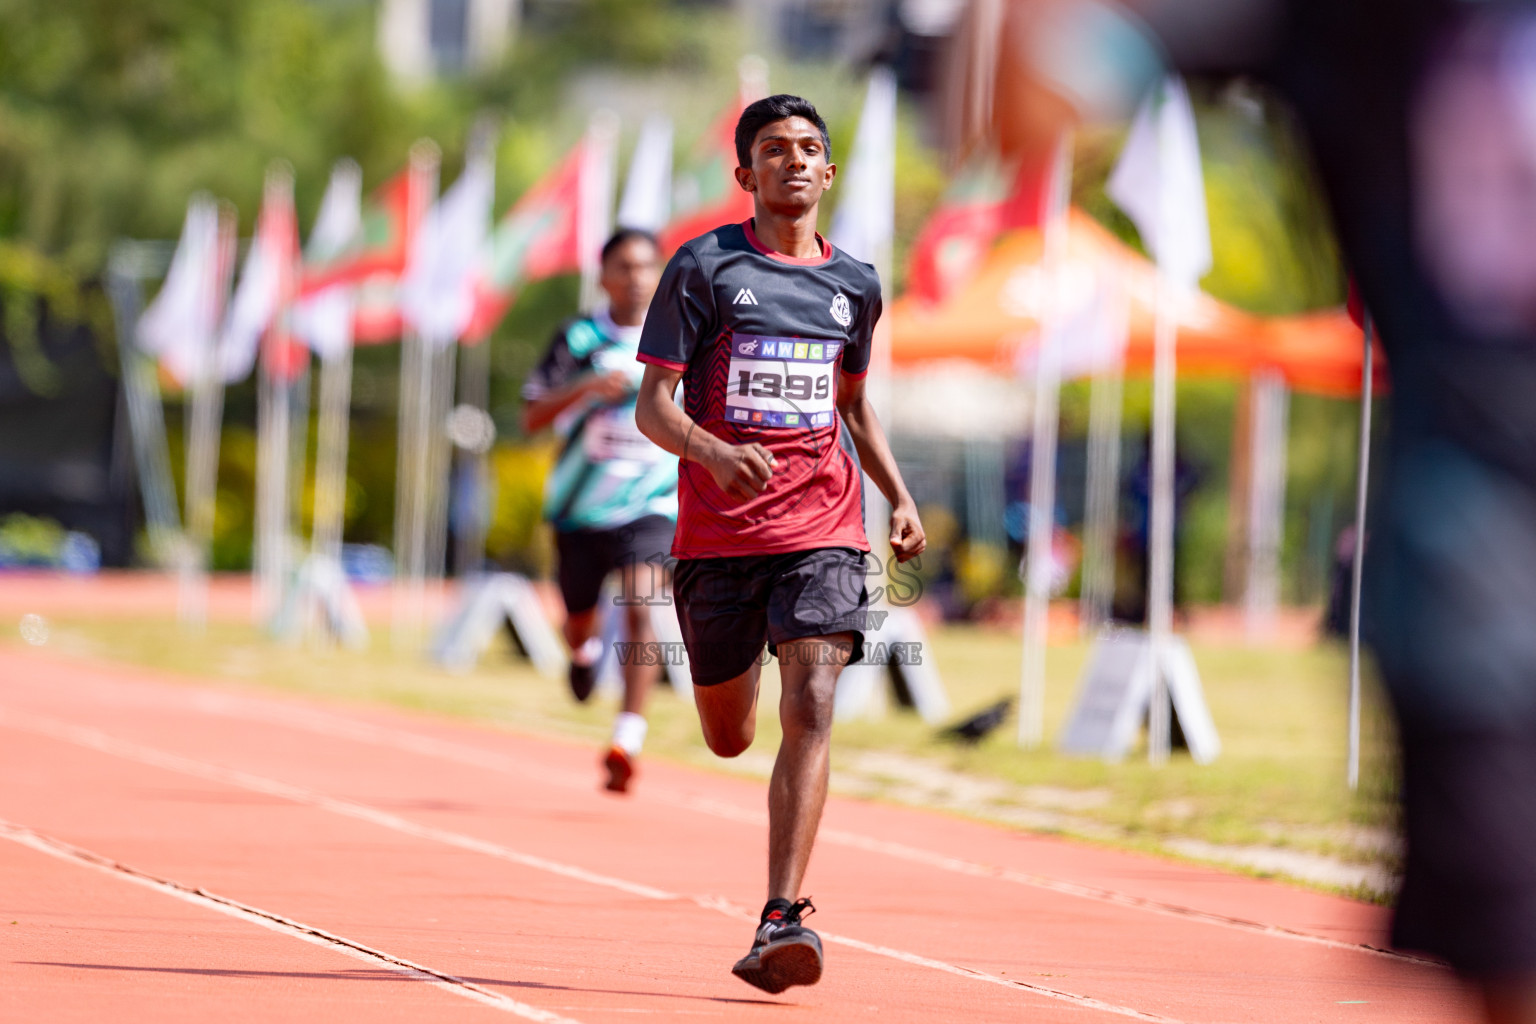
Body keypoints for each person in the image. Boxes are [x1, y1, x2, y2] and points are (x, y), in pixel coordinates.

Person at [634, 94, 926, 994]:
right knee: (729, 737)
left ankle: (780, 917)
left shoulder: (857, 286)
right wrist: (715, 453)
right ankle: (735, 682)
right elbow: (652, 407)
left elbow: (851, 404)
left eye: (808, 149)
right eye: (774, 149)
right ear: (745, 175)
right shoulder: (705, 269)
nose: (793, 161)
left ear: (828, 172)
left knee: (816, 697)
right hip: (719, 541)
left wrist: (900, 496)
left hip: (825, 530)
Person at [520, 227, 675, 795]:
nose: (636, 280)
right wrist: (587, 386)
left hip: (652, 503)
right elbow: (531, 416)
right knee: (580, 617)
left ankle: (626, 738)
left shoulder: (681, 336)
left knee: (642, 603)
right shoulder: (579, 337)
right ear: (603, 276)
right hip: (581, 509)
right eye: (624, 268)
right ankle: (582, 652)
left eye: (646, 268)